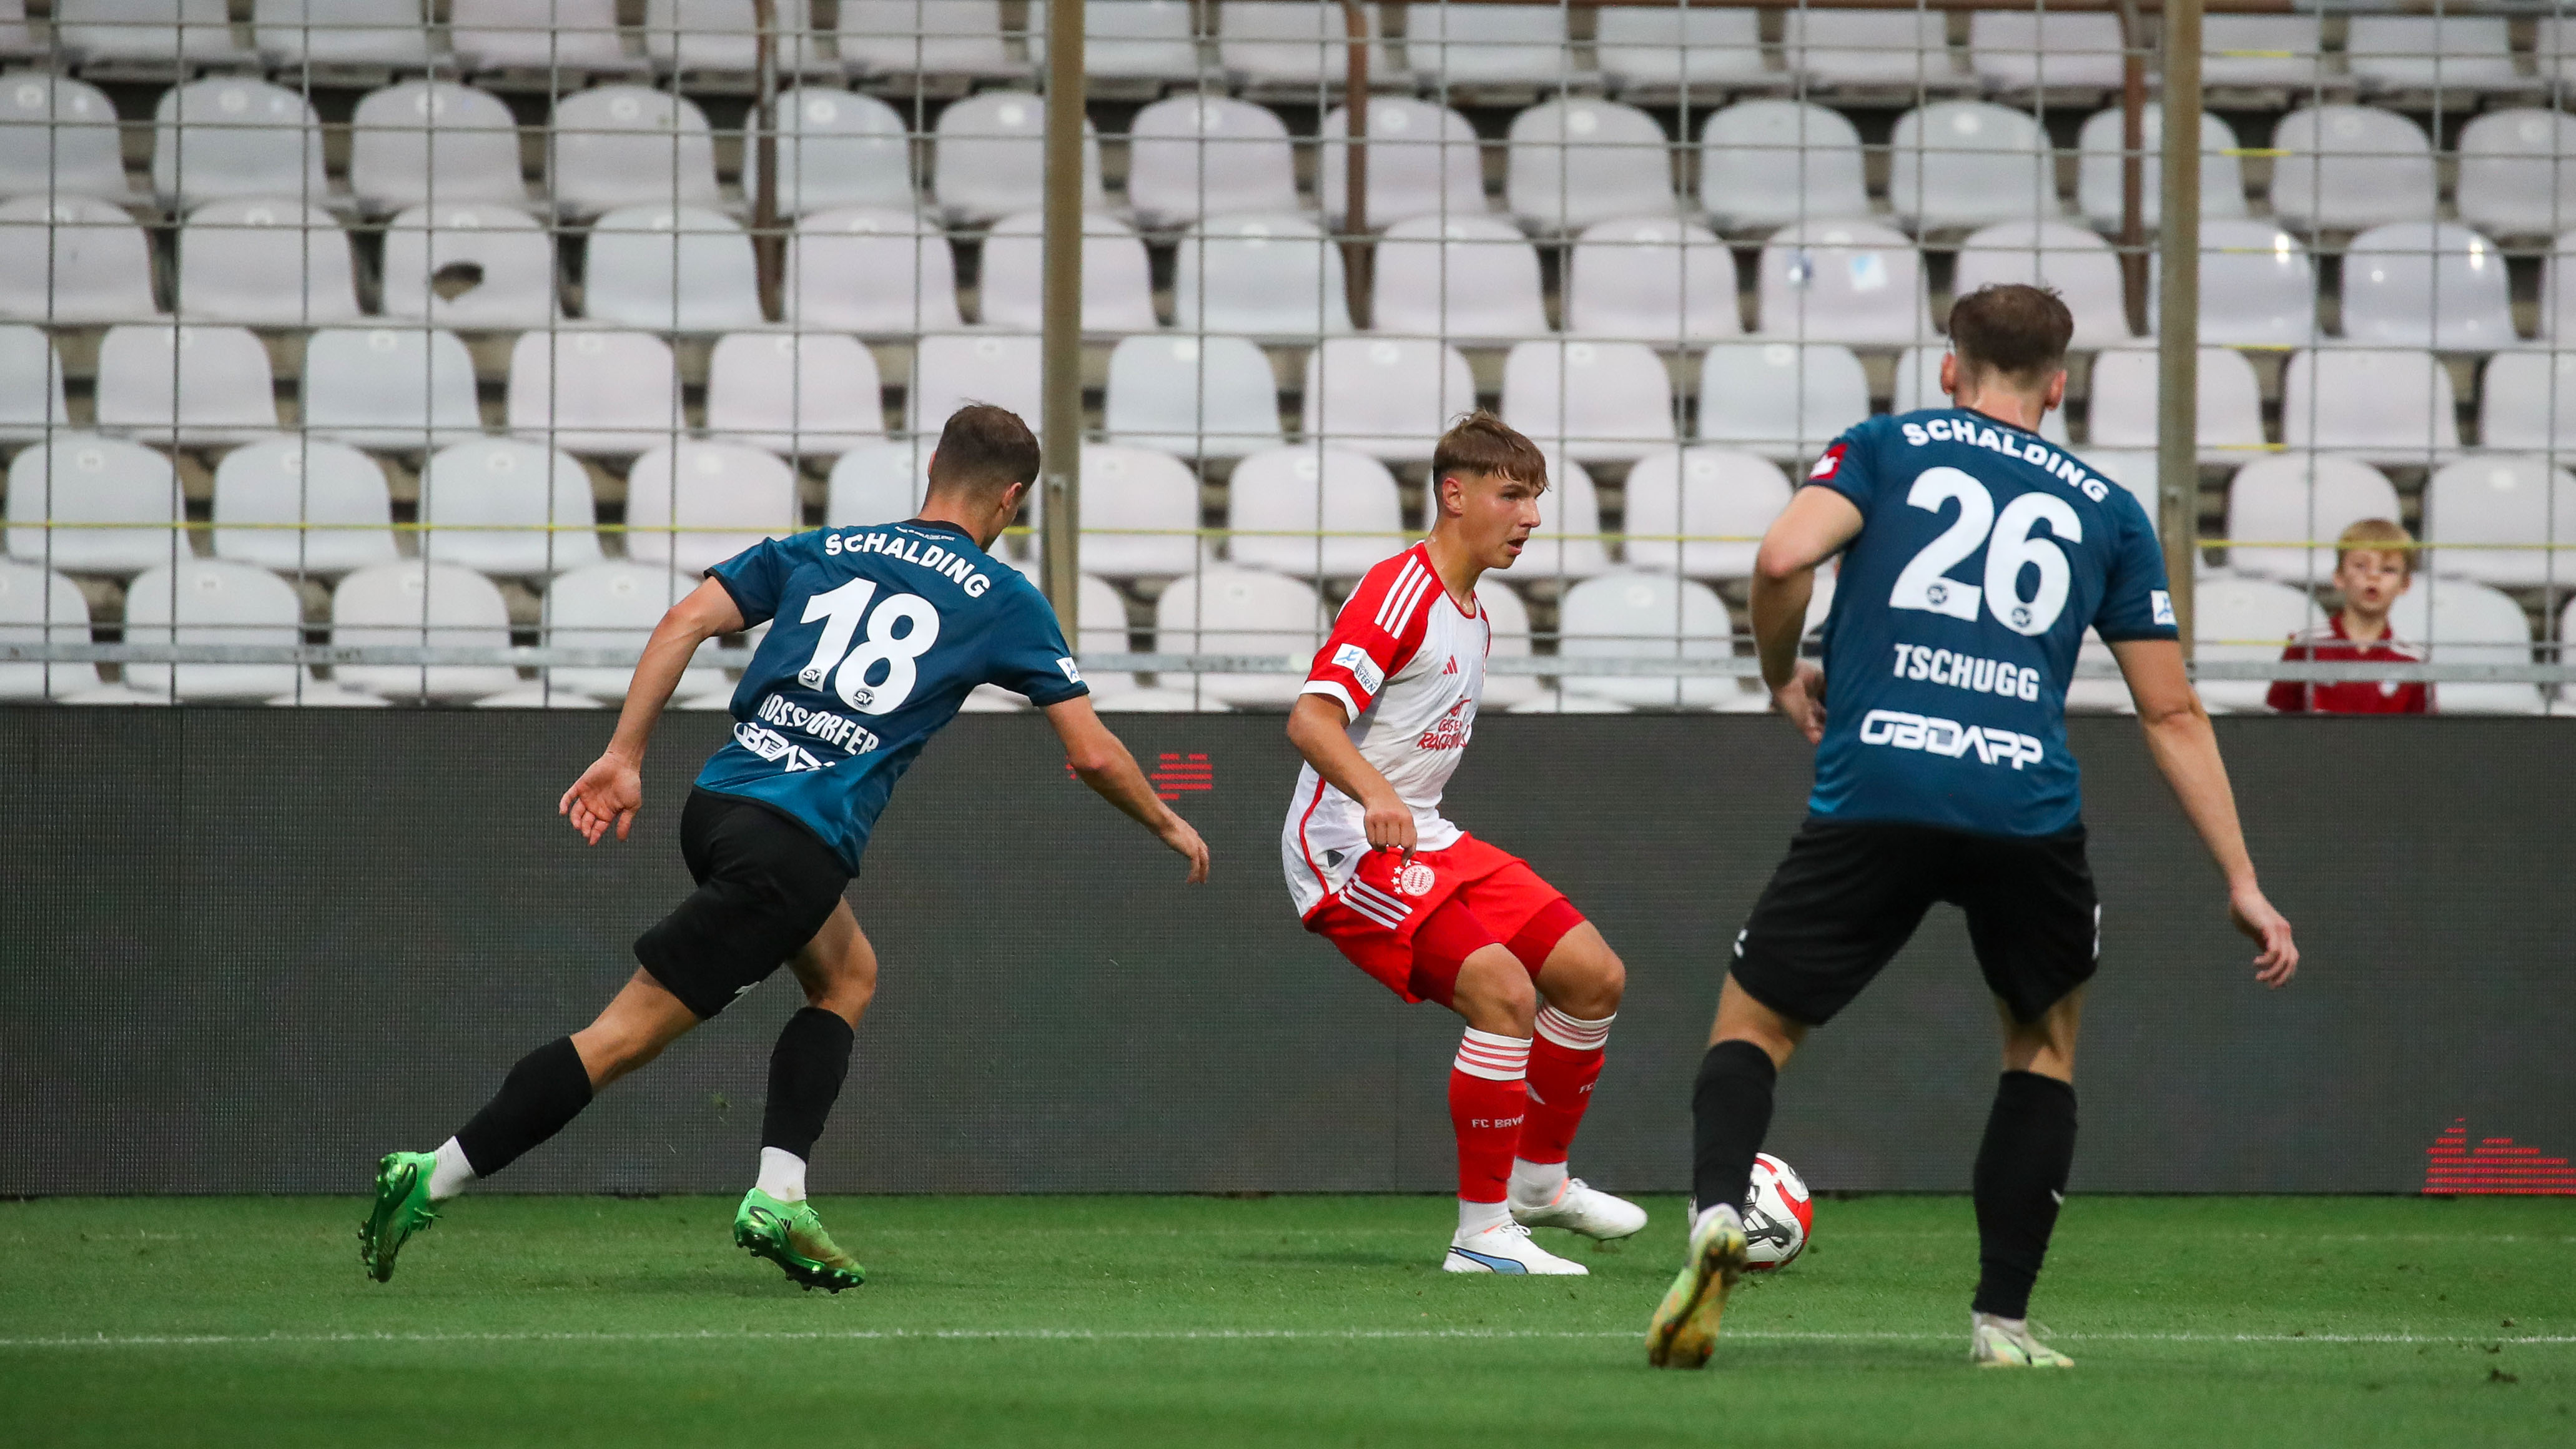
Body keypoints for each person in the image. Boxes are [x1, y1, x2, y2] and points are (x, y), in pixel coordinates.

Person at [359, 405, 1210, 1290]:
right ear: (1012, 500)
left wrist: (623, 756)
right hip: (797, 843)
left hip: (722, 802)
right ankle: (437, 1172)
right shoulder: (1003, 600)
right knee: (620, 1038)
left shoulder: (828, 546)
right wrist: (1165, 819)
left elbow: (682, 622)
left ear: (930, 467)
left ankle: (782, 1190)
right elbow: (1092, 751)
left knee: (847, 974)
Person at [1644, 286, 2301, 1368]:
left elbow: (1778, 561)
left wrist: (1780, 676)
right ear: (2058, 383)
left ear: (1949, 369)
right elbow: (2171, 709)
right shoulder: (2108, 509)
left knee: (1754, 1029)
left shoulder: (1885, 447)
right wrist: (2242, 878)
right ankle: (2001, 1324)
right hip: (2022, 808)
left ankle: (1720, 1208)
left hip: (1879, 784)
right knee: (2041, 1051)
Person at [1282, 412, 1645, 1277]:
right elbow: (1311, 717)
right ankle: (1482, 1236)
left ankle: (1538, 1185)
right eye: (1511, 495)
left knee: (1594, 977)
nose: (1529, 518)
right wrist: (1373, 796)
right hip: (1345, 848)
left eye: (1535, 499)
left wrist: (1402, 806)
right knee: (1503, 994)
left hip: (1427, 836)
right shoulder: (1398, 590)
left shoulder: (1475, 609)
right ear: (1454, 494)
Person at [2266, 518, 2429, 715]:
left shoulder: (2413, 659)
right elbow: (2277, 724)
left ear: (2405, 584)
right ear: (2339, 577)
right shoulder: (2306, 645)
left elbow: (2425, 735)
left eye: (2388, 570)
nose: (2373, 576)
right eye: (2361, 566)